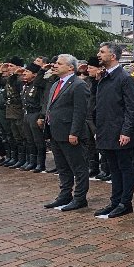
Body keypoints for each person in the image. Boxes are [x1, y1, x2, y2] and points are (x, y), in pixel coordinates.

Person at [92, 42, 134, 219]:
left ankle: (125, 203)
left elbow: (131, 108)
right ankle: (115, 201)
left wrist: (126, 131)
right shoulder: (104, 77)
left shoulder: (124, 78)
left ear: (113, 56)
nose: (99, 54)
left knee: (125, 168)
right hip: (107, 131)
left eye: (102, 52)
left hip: (120, 132)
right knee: (114, 168)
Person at [41, 54, 91, 211]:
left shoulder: (78, 84)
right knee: (62, 167)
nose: (55, 65)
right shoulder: (56, 84)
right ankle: (65, 195)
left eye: (59, 63)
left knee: (78, 167)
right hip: (56, 132)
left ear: (70, 67)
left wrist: (74, 132)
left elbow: (80, 111)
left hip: (70, 133)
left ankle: (80, 198)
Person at [19, 62, 50, 172]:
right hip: (27, 114)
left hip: (36, 113)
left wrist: (41, 116)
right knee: (29, 139)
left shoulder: (39, 85)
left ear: (35, 74)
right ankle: (32, 161)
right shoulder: (26, 85)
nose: (24, 73)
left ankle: (40, 163)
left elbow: (43, 102)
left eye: (27, 71)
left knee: (38, 140)